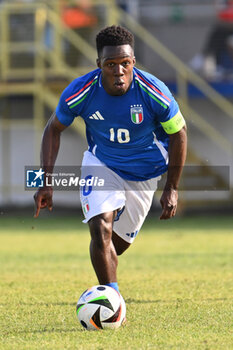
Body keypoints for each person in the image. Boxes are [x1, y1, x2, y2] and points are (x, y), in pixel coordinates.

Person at [34, 25, 187, 294]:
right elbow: (52, 129)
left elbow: (180, 133)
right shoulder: (81, 91)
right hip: (101, 163)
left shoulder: (154, 91)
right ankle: (111, 302)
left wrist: (172, 187)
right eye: (111, 64)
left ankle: (107, 292)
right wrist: (46, 182)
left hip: (144, 174)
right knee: (100, 227)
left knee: (115, 247)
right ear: (99, 64)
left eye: (125, 63)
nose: (119, 71)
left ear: (133, 62)